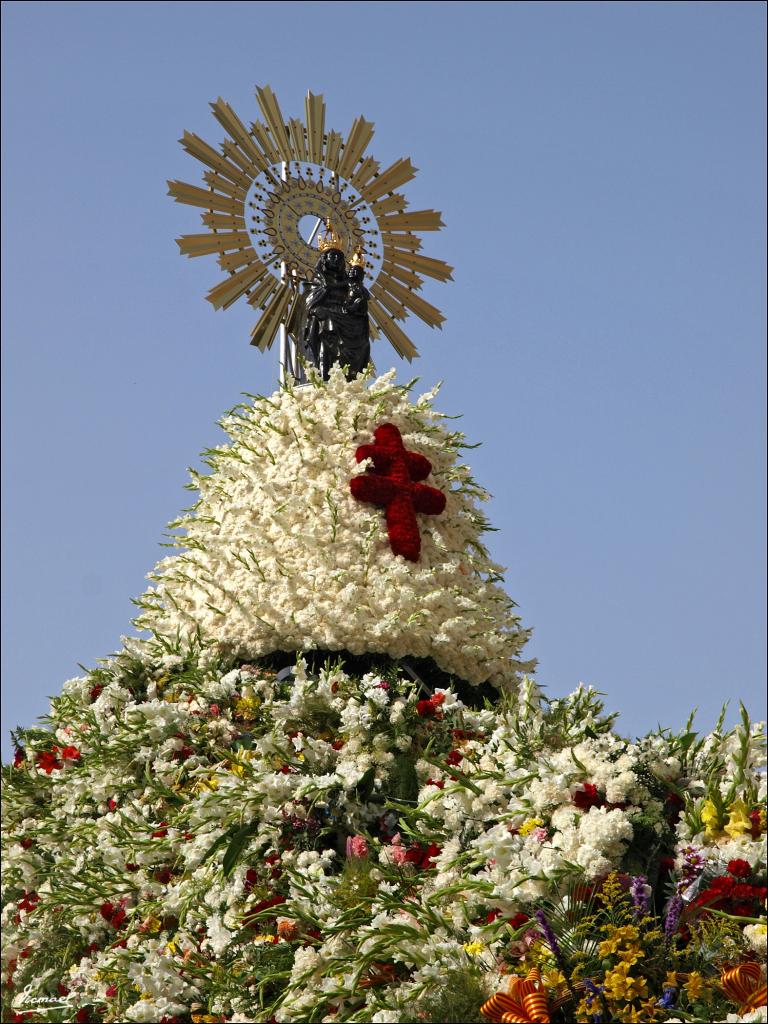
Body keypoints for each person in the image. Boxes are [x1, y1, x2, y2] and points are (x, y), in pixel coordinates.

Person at [302, 225, 370, 380]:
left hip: (347, 315)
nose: (336, 259)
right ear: (324, 259)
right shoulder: (317, 281)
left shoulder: (348, 283)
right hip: (325, 316)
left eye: (339, 257)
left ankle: (350, 376)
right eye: (332, 256)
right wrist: (321, 299)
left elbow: (359, 298)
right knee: (327, 324)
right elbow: (308, 302)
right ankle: (326, 374)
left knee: (362, 336)